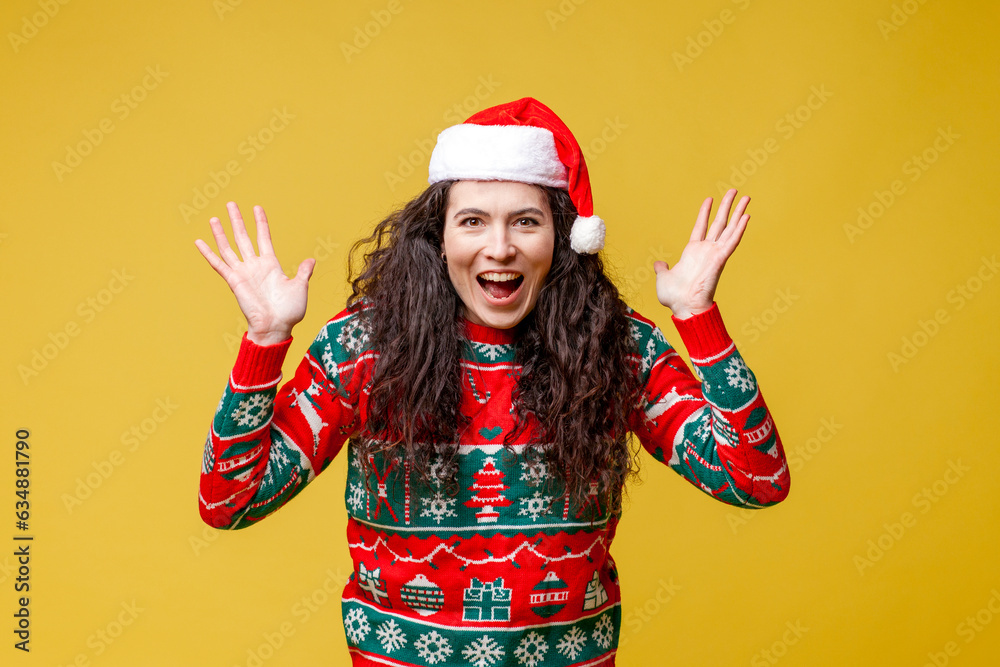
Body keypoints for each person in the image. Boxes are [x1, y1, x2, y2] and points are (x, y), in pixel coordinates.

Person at [195, 97, 789, 667]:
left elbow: (757, 479)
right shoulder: (363, 346)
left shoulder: (615, 344)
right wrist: (265, 342)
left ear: (561, 238)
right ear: (439, 236)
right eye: (473, 221)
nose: (499, 248)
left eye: (525, 222)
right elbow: (229, 501)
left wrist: (698, 319)